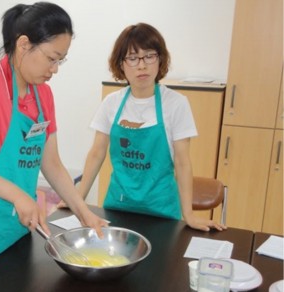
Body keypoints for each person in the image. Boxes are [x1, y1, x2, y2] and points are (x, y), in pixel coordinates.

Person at [0, 2, 107, 279]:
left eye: (61, 60)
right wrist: (18, 195)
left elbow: (52, 163)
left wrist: (82, 211)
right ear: (23, 45)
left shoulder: (43, 95)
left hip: (17, 220)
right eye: (51, 58)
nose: (55, 69)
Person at [71, 23, 226, 232]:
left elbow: (182, 162)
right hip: (118, 207)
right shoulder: (111, 103)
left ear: (160, 59)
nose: (142, 65)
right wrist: (77, 199)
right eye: (133, 58)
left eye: (149, 56)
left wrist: (188, 214)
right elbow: (97, 152)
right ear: (121, 64)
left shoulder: (176, 104)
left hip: (162, 211)